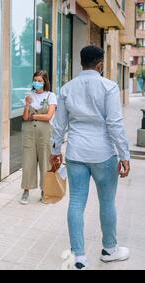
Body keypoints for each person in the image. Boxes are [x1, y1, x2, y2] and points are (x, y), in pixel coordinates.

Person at [51, 45, 131, 270]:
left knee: (76, 202)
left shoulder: (67, 88)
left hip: (76, 153)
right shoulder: (109, 86)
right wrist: (124, 155)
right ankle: (109, 250)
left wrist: (55, 152)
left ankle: (78, 257)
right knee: (107, 202)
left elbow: (59, 125)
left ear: (81, 63)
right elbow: (114, 123)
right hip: (103, 154)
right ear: (100, 64)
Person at [20, 71, 57, 205]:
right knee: (28, 162)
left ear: (45, 82)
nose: (37, 83)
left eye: (39, 80)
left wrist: (33, 116)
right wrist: (27, 105)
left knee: (45, 162)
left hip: (45, 134)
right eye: (35, 80)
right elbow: (25, 118)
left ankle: (44, 190)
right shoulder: (29, 96)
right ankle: (26, 191)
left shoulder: (51, 96)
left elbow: (48, 117)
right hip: (29, 133)